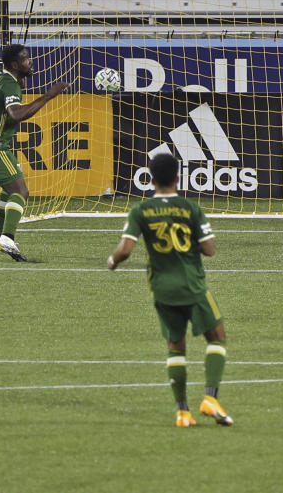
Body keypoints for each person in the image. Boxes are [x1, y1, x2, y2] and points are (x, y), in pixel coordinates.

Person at [106, 153, 233, 428]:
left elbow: (126, 250)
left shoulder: (140, 211)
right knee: (217, 336)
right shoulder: (190, 208)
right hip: (193, 286)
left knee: (176, 346)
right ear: (178, 178)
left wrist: (112, 261)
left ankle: (182, 412)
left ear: (150, 180)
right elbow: (210, 250)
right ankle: (210, 398)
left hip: (162, 290)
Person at [0, 44, 69, 261]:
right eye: (25, 59)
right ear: (14, 65)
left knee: (8, 186)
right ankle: (7, 238)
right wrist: (49, 96)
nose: (30, 62)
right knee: (21, 191)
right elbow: (15, 115)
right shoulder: (9, 85)